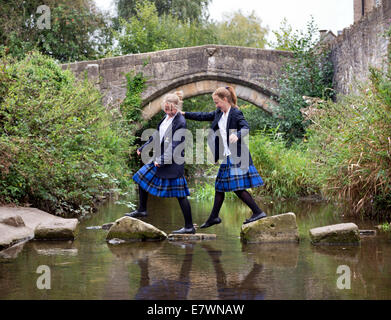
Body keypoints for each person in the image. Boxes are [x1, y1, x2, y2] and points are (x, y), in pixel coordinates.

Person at [183, 86, 267, 228]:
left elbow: (245, 127)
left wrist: (237, 134)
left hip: (238, 155)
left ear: (225, 99)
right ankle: (214, 217)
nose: (216, 105)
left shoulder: (235, 113)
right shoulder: (218, 113)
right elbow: (202, 116)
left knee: (236, 188)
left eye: (217, 102)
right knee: (220, 186)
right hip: (228, 155)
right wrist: (183, 113)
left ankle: (257, 212)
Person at [126, 91, 195, 234]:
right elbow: (157, 135)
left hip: (172, 162)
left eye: (171, 110)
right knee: (140, 177)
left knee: (181, 195)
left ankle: (189, 227)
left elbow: (175, 146)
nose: (168, 112)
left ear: (176, 108)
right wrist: (144, 146)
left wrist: (163, 160)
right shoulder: (165, 119)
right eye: (166, 109)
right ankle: (142, 209)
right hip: (159, 158)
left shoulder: (180, 123)